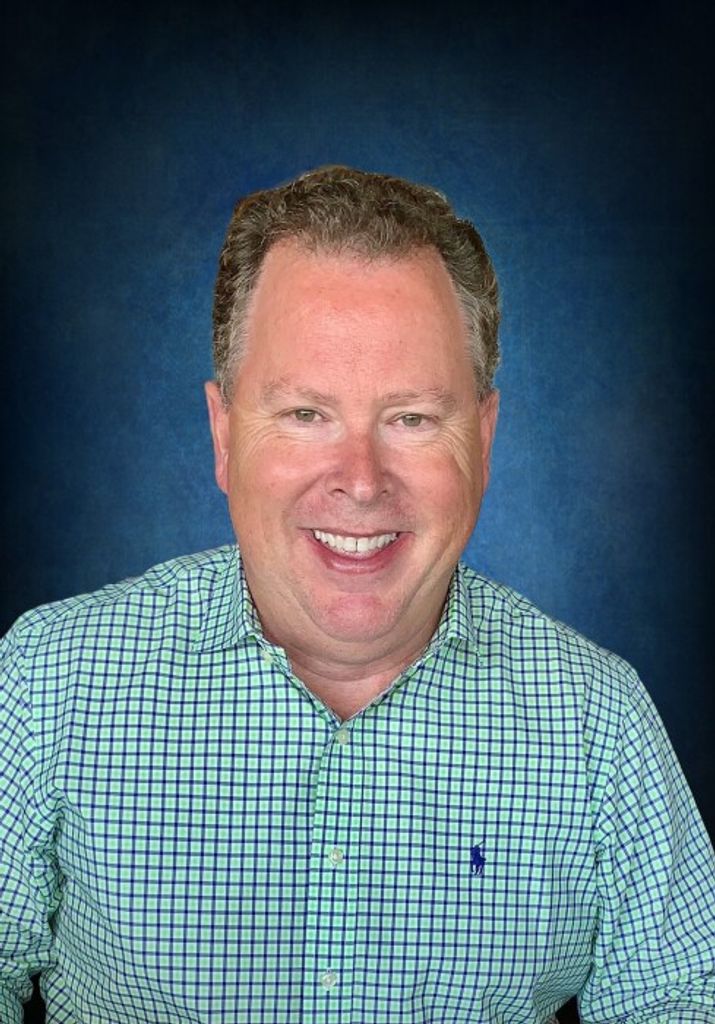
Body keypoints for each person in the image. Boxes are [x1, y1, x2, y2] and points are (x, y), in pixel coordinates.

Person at [1, 166, 713, 1024]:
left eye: (412, 418)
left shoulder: (600, 724)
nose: (361, 481)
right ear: (223, 433)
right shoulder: (46, 683)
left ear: (483, 438)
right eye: (305, 414)